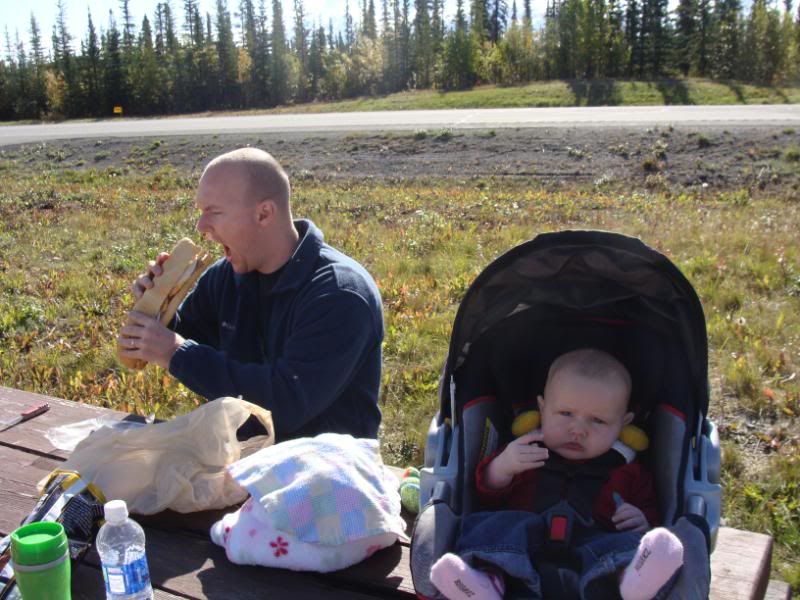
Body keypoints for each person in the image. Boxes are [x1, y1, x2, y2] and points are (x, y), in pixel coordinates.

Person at [117, 148, 384, 442]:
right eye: (201, 212)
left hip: (326, 475)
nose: (201, 226)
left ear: (264, 213)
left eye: (214, 212)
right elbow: (189, 335)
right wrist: (157, 312)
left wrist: (173, 352)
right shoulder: (226, 276)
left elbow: (285, 404)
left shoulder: (340, 294)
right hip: (245, 462)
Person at [429, 348, 684, 600]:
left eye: (597, 421)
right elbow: (487, 493)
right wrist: (502, 467)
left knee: (629, 545)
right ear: (542, 408)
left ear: (623, 424)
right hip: (522, 550)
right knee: (490, 526)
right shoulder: (525, 451)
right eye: (565, 414)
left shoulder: (629, 471)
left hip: (594, 552)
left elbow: (652, 510)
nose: (578, 430)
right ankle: (487, 583)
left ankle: (631, 583)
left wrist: (642, 521)